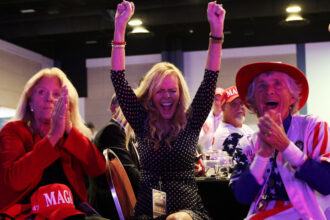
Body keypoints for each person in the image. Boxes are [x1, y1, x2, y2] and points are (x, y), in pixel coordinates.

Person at [110, 1, 225, 219]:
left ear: (180, 94)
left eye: (172, 90)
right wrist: (119, 25)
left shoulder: (191, 121)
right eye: (160, 91)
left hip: (187, 213)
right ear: (151, 95)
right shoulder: (141, 121)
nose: (166, 96)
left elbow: (211, 78)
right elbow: (118, 78)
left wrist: (216, 32)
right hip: (147, 212)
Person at [0, 67, 106, 219]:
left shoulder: (70, 136)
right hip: (28, 213)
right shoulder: (14, 131)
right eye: (41, 92)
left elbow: (98, 168)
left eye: (57, 94)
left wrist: (68, 127)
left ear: (67, 104)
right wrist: (52, 137)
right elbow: (14, 182)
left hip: (73, 212)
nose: (49, 98)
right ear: (30, 100)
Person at [230, 62, 330, 219]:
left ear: (292, 97)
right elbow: (242, 196)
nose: (269, 91)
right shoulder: (246, 143)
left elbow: (327, 184)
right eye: (261, 86)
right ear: (253, 101)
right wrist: (263, 154)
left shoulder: (313, 127)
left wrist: (286, 146)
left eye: (278, 84)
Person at [88, 94, 140, 219]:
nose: (132, 110)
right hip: (112, 207)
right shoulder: (112, 130)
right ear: (113, 109)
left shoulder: (125, 133)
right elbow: (130, 175)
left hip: (123, 202)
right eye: (126, 105)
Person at [212, 86, 254, 157]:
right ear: (223, 107)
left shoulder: (245, 128)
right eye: (233, 104)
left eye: (241, 103)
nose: (239, 107)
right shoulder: (225, 134)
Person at [198, 87, 224, 154]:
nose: (218, 102)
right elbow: (199, 142)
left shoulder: (226, 119)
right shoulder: (205, 117)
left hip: (221, 156)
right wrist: (204, 133)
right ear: (212, 100)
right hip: (207, 155)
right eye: (216, 99)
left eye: (220, 100)